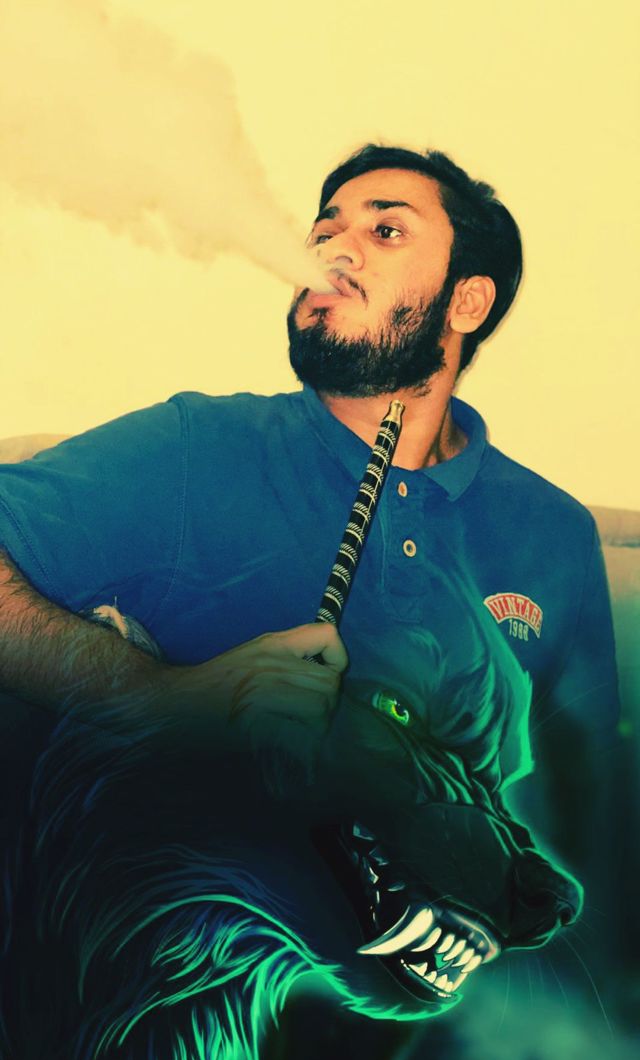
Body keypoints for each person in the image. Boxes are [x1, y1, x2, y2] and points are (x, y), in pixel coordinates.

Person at [0, 145, 619, 822]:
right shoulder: (198, 444)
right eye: (324, 232)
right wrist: (155, 697)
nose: (333, 252)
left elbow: (589, 814)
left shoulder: (556, 533)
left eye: (386, 230)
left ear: (466, 302)